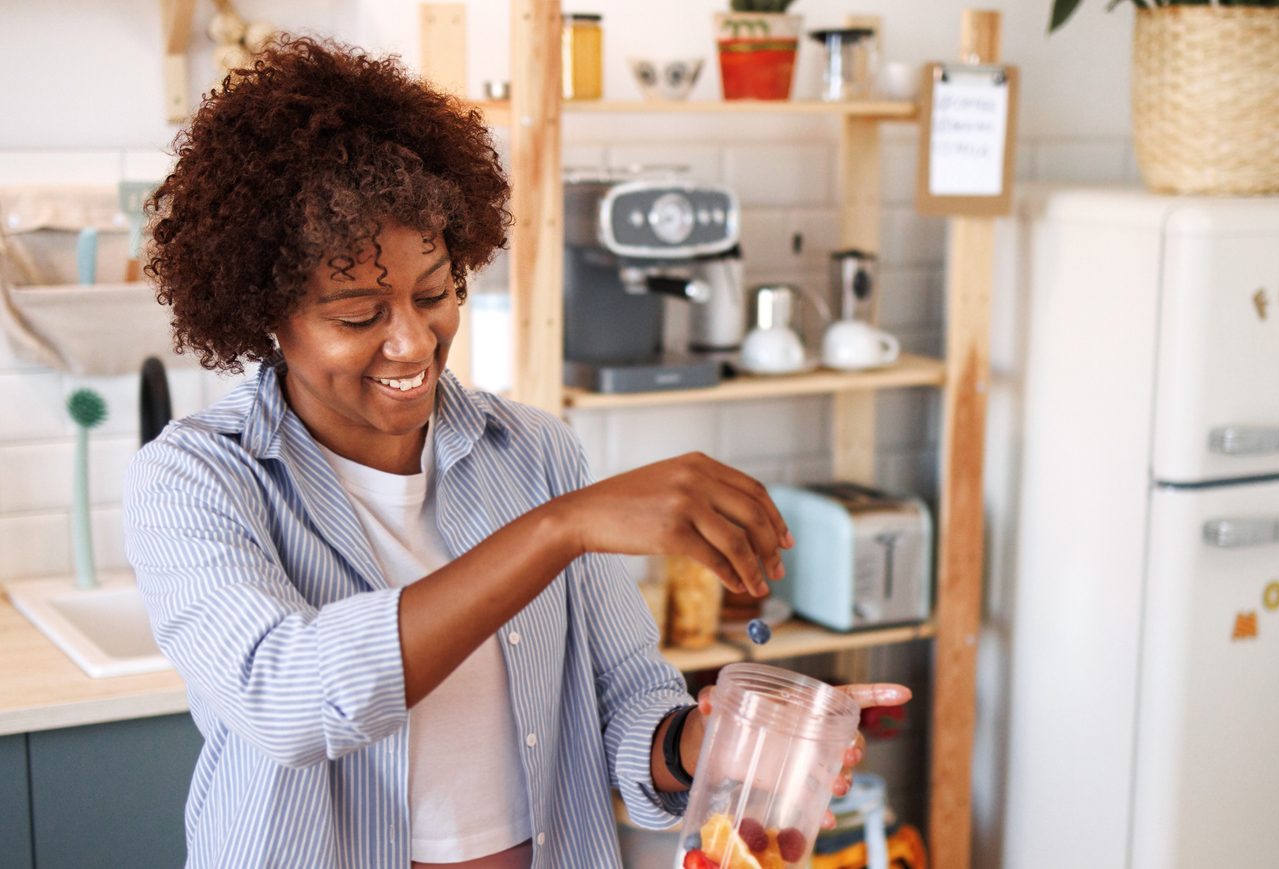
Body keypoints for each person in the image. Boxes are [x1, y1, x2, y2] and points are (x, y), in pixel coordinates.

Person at [125, 35, 908, 868]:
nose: (411, 340)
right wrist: (557, 530)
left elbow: (627, 706)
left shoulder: (532, 452)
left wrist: (699, 742)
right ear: (266, 313)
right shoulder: (197, 478)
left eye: (434, 292)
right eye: (358, 315)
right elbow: (286, 700)